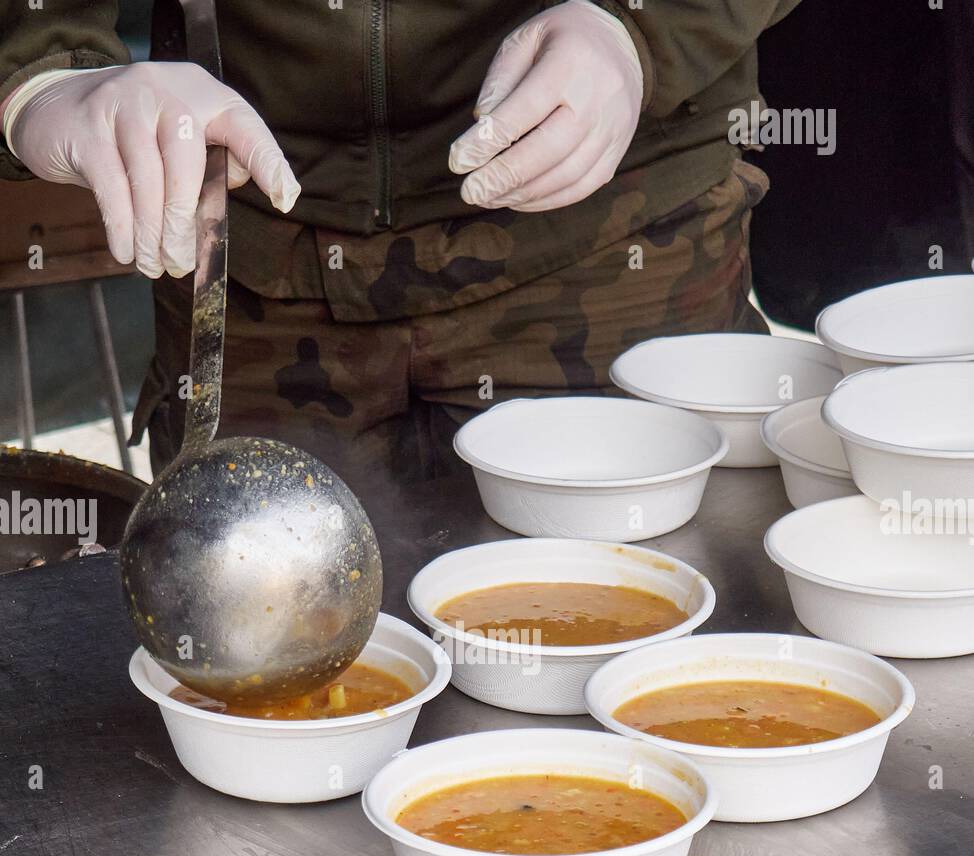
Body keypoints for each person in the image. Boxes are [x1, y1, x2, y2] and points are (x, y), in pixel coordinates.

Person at [0, 1, 800, 498]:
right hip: (256, 257)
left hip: (613, 234)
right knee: (256, 677)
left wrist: (644, 32)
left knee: (657, 678)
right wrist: (40, 76)